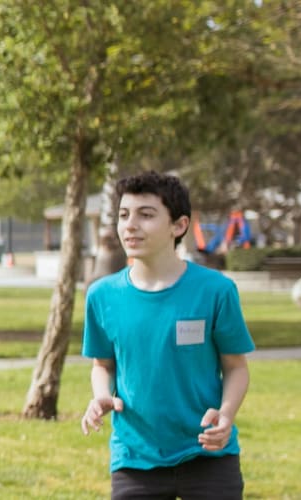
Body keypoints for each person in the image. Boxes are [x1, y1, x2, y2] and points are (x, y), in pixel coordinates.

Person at [81, 171, 253, 499]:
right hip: (135, 457)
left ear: (179, 226)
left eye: (146, 215)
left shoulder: (216, 291)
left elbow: (235, 366)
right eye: (123, 215)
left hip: (209, 454)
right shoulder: (101, 295)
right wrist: (101, 395)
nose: (130, 225)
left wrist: (226, 415)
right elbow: (102, 364)